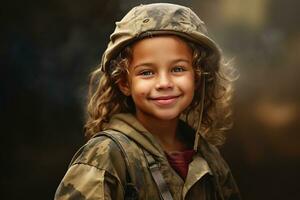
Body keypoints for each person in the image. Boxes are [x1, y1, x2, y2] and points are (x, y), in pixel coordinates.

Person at [55, 3, 241, 200]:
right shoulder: (107, 157)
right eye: (147, 72)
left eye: (178, 69)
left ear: (198, 76)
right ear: (125, 83)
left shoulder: (210, 159)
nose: (164, 83)